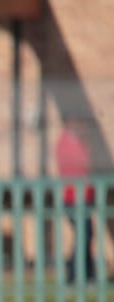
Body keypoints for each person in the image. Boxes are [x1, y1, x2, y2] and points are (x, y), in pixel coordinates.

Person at [57, 116, 96, 283]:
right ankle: (75, 275)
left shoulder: (76, 141)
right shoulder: (66, 143)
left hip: (83, 196)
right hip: (74, 198)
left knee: (86, 235)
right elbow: (80, 166)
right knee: (84, 235)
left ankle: (86, 275)